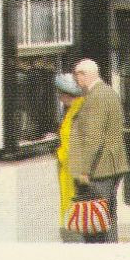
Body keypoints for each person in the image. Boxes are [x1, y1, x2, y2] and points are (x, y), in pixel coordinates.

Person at [67, 58, 130, 243]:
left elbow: (93, 138)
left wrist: (85, 170)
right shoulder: (106, 92)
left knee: (97, 219)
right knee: (106, 216)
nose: (75, 79)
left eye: (76, 75)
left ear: (83, 75)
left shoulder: (97, 96)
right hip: (108, 166)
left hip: (100, 169)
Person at [54, 73, 85, 239]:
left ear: (67, 94)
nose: (59, 97)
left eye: (60, 93)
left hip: (74, 173)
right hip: (70, 173)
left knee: (76, 218)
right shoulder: (74, 110)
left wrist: (59, 155)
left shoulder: (78, 112)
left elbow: (73, 143)